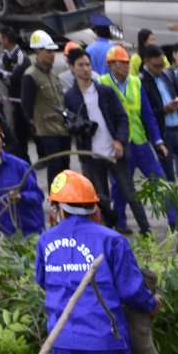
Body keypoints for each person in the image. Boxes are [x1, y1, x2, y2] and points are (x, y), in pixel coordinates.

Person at [35, 170, 160, 354]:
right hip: (104, 334)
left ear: (57, 209)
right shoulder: (112, 240)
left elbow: (43, 280)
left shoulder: (45, 240)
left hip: (62, 335)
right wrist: (152, 303)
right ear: (94, 206)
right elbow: (131, 291)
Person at [64, 50, 140, 234]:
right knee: (101, 198)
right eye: (81, 65)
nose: (86, 69)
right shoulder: (70, 96)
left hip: (114, 152)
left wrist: (119, 141)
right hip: (92, 155)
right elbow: (69, 126)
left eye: (88, 65)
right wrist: (76, 126)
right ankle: (108, 231)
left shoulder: (104, 91)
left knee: (130, 193)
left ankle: (145, 230)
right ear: (72, 68)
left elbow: (122, 118)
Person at [99, 46, 170, 230]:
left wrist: (158, 141)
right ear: (111, 64)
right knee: (120, 187)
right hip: (119, 144)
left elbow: (147, 115)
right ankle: (120, 222)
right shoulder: (102, 83)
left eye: (127, 63)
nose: (126, 66)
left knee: (159, 180)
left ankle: (173, 217)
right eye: (122, 63)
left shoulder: (135, 83)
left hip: (139, 143)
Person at [20, 30, 73, 187]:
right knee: (55, 167)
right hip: (47, 129)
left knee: (66, 166)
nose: (52, 55)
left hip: (62, 127)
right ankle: (55, 200)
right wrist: (34, 124)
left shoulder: (53, 73)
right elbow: (26, 105)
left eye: (53, 51)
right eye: (48, 51)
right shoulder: (30, 75)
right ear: (37, 51)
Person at [142, 45, 178, 179]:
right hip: (163, 134)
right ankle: (171, 200)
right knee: (168, 176)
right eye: (156, 66)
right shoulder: (142, 82)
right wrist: (164, 110)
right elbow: (145, 114)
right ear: (146, 62)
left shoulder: (167, 74)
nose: (160, 69)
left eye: (162, 65)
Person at [0, 26, 30, 154]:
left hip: (25, 99)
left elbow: (16, 76)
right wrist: (7, 74)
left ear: (5, 40)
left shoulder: (21, 56)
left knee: (32, 128)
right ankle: (23, 156)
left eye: (0, 39)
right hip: (15, 101)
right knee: (19, 130)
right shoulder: (5, 55)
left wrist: (8, 74)